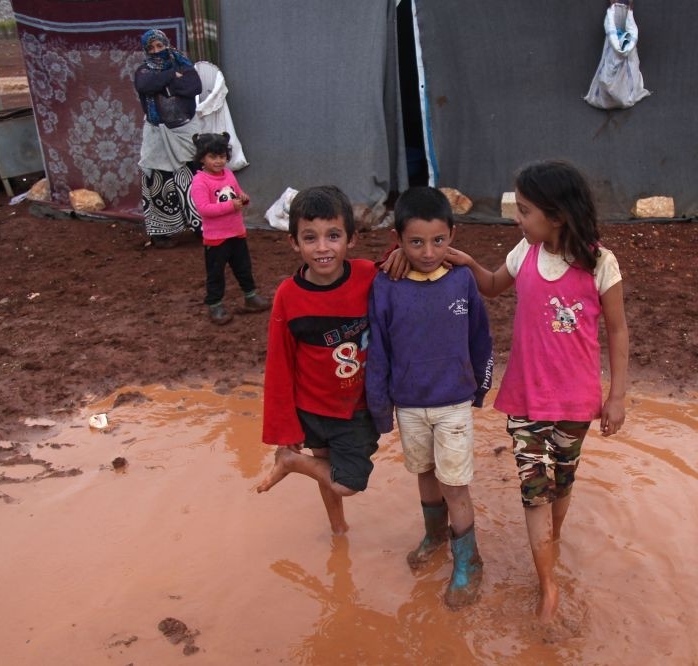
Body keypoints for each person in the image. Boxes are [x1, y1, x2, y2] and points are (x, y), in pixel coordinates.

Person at [447, 159, 629, 623]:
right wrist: (467, 263)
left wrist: (617, 396)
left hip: (576, 402)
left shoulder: (600, 263)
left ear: (558, 214)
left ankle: (552, 542)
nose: (517, 219)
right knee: (535, 491)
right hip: (526, 400)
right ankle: (548, 587)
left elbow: (617, 330)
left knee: (561, 484)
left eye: (525, 211)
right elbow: (490, 287)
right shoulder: (523, 253)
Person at [365, 186, 494, 609]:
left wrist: (479, 387)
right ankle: (434, 535)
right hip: (409, 405)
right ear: (398, 240)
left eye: (438, 241)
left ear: (452, 234)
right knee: (423, 472)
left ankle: (467, 562)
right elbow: (379, 347)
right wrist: (382, 406)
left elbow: (481, 337)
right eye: (416, 242)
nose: (427, 251)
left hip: (453, 403)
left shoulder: (461, 281)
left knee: (455, 485)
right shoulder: (387, 285)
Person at [255, 186, 381, 536]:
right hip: (312, 407)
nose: (323, 247)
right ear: (294, 242)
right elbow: (279, 365)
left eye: (333, 236)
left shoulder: (369, 275)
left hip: (356, 408)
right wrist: (284, 431)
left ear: (351, 239)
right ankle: (338, 529)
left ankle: (293, 464)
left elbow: (406, 261)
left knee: (348, 482)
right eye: (310, 238)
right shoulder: (288, 296)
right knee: (324, 468)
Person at [187, 132, 269, 325]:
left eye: (222, 156)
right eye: (213, 157)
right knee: (216, 273)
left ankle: (250, 297)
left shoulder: (229, 174)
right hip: (216, 238)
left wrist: (243, 198)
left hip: (237, 232)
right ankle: (215, 305)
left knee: (244, 268)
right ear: (202, 158)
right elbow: (204, 209)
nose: (218, 161)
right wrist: (231, 205)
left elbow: (237, 193)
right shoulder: (200, 181)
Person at [134, 29, 203, 248]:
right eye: (151, 48)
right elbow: (144, 86)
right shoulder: (144, 71)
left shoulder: (184, 64)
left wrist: (162, 83)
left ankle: (201, 227)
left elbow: (194, 87)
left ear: (167, 45)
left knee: (193, 179)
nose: (156, 51)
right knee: (158, 180)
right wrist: (172, 77)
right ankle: (161, 233)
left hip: (184, 130)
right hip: (157, 133)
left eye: (159, 46)